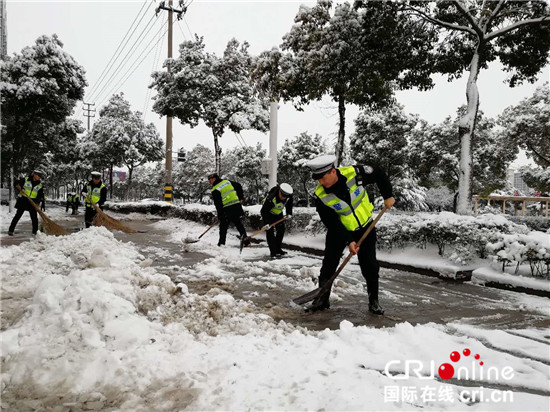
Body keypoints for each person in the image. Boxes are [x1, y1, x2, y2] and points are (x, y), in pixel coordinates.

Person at [304, 154, 395, 315]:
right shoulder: (321, 196)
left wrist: (388, 195)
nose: (321, 182)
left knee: (370, 266)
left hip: (365, 227)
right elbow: (332, 223)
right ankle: (322, 300)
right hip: (339, 232)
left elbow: (379, 173)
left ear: (333, 172)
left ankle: (374, 301)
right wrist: (349, 240)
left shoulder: (356, 173)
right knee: (329, 266)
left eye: (323, 178)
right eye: (318, 179)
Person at [208, 172, 249, 247]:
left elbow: (218, 204)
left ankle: (221, 244)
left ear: (214, 179)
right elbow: (239, 186)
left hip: (227, 209)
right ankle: (247, 242)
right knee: (238, 224)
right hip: (236, 207)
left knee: (223, 227)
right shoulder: (227, 182)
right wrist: (240, 198)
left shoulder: (215, 189)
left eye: (210, 180)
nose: (209, 182)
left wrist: (220, 214)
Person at [260, 183, 293, 258]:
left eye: (285, 197)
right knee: (270, 232)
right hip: (268, 213)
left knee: (281, 229)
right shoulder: (271, 197)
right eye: (282, 196)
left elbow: (289, 205)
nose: (283, 198)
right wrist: (267, 223)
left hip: (278, 214)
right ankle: (273, 252)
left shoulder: (289, 196)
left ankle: (278, 249)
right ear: (279, 191)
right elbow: (263, 211)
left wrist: (289, 213)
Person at [8, 170, 45, 236]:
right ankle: (11, 230)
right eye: (39, 176)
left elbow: (40, 195)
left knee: (34, 218)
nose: (40, 178)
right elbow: (16, 183)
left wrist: (37, 203)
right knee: (17, 216)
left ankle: (35, 231)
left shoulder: (40, 185)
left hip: (32, 202)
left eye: (40, 177)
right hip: (23, 200)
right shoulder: (26, 180)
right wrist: (20, 188)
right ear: (35, 175)